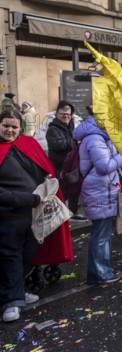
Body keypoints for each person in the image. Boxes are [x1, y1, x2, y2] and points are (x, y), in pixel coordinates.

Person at [0, 108, 55, 322]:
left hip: (34, 213)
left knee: (27, 255)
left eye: (14, 126)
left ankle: (15, 292)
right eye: (6, 125)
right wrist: (29, 199)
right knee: (11, 256)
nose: (10, 130)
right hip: (8, 215)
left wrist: (46, 177)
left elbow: (38, 167)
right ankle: (11, 302)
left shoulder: (26, 144)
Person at [73, 106, 122, 285]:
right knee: (101, 235)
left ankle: (102, 270)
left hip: (103, 190)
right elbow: (104, 166)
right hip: (99, 191)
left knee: (103, 233)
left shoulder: (101, 135)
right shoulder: (95, 138)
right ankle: (100, 274)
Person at [46, 101, 82, 219]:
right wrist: (74, 142)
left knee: (73, 191)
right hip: (59, 167)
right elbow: (56, 144)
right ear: (57, 114)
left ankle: (73, 213)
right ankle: (60, 217)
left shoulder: (71, 127)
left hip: (71, 166)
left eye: (68, 114)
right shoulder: (53, 129)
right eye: (63, 113)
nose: (66, 115)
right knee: (62, 193)